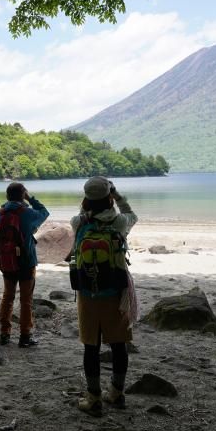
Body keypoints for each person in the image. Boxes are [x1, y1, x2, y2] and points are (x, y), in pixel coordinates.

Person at [70, 177, 138, 417]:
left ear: (86, 200)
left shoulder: (78, 222)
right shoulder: (119, 221)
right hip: (115, 292)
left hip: (88, 294)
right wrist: (117, 195)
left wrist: (89, 204)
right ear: (110, 198)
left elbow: (82, 212)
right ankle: (117, 392)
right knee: (119, 344)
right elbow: (132, 215)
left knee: (91, 347)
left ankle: (93, 397)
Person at [0, 182, 49, 348]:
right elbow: (44, 212)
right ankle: (25, 336)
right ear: (23, 194)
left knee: (7, 296)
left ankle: (4, 334)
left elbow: (3, 213)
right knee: (26, 299)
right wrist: (30, 199)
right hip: (26, 261)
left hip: (7, 260)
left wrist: (9, 203)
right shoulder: (28, 213)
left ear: (7, 196)